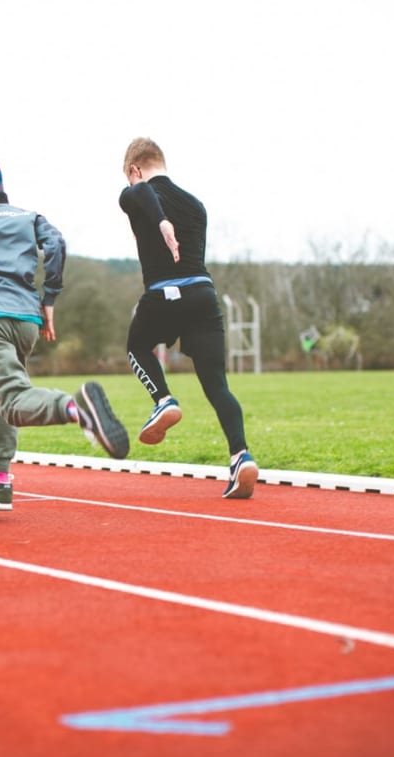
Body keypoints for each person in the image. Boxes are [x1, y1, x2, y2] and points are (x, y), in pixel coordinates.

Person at [0, 137, 130, 511]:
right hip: (26, 323)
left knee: (14, 400)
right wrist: (49, 297)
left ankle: (78, 409)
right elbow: (56, 244)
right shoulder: (26, 216)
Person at [118, 137, 258, 499]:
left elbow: (145, 196)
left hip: (164, 294)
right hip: (203, 296)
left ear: (135, 170)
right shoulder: (196, 205)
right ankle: (241, 455)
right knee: (217, 386)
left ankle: (163, 399)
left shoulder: (135, 192)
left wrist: (161, 220)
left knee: (136, 346)